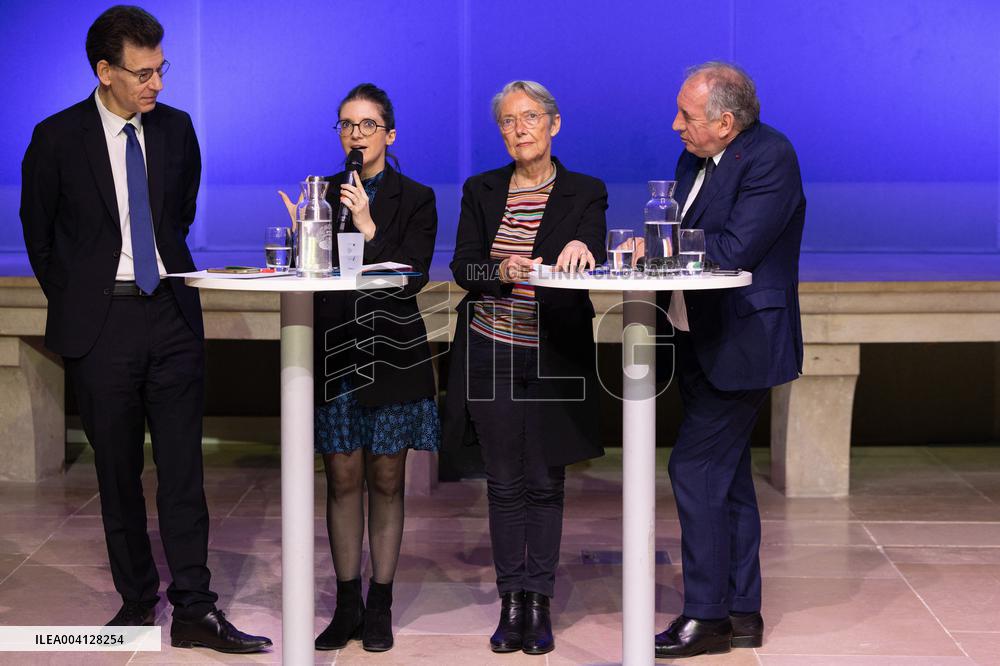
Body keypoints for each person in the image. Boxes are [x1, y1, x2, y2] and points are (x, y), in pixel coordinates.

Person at [19, 5, 270, 653]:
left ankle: (195, 608)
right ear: (105, 72)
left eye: (161, 70)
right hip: (102, 324)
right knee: (118, 473)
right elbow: (39, 236)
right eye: (142, 73)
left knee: (184, 470)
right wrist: (82, 302)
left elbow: (177, 216)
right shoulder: (56, 137)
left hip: (171, 316)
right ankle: (136, 600)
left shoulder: (177, 130)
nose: (156, 83)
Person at [648, 62, 805, 658]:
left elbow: (738, 246)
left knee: (694, 469)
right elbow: (679, 234)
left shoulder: (770, 156)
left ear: (726, 122)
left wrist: (657, 247)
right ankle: (742, 611)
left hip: (744, 341)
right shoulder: (692, 159)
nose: (676, 125)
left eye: (686, 116)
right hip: (695, 336)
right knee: (729, 477)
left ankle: (707, 616)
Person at [444, 80, 607, 656]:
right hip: (490, 350)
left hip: (553, 352)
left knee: (544, 479)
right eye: (509, 121)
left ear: (553, 124)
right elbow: (463, 268)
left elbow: (591, 248)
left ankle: (539, 602)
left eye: (530, 117)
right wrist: (501, 270)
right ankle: (510, 600)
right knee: (503, 481)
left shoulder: (586, 190)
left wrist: (584, 251)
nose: (520, 130)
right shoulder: (481, 189)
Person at [297, 83, 440, 653]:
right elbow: (317, 275)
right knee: (342, 478)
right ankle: (347, 602)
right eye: (346, 125)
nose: (355, 135)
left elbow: (413, 277)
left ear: (390, 134)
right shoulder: (322, 193)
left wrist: (368, 225)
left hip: (393, 352)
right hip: (336, 351)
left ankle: (380, 602)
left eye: (367, 125)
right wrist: (305, 235)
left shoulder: (417, 197)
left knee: (386, 478)